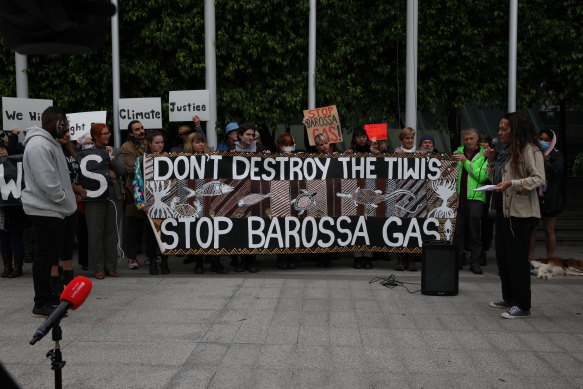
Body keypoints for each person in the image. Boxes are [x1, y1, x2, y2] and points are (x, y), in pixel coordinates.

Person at [484, 112, 545, 319]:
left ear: (515, 129)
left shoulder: (530, 150)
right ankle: (508, 298)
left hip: (522, 214)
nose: (499, 133)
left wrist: (513, 184)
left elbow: (538, 178)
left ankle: (523, 305)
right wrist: (492, 162)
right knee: (503, 258)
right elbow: (497, 177)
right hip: (503, 211)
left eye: (503, 129)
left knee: (517, 260)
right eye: (499, 129)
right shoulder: (506, 151)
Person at [22, 106, 77, 318]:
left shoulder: (48, 143)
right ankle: (41, 303)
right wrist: (63, 200)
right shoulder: (38, 145)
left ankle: (51, 297)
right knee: (44, 257)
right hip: (46, 210)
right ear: (52, 123)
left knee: (50, 257)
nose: (66, 128)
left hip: (54, 210)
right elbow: (48, 182)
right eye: (63, 124)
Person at [85, 124, 124, 279]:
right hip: (93, 196)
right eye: (103, 134)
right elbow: (86, 172)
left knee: (112, 232)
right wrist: (105, 172)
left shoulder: (116, 151)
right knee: (95, 232)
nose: (107, 136)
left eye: (108, 133)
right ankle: (98, 268)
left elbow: (121, 171)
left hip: (113, 195)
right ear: (95, 136)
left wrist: (111, 159)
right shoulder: (87, 153)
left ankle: (111, 266)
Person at [452, 128, 488, 274]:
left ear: (477, 138)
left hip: (475, 198)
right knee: (458, 230)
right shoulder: (456, 153)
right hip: (458, 198)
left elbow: (482, 176)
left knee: (475, 231)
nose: (468, 141)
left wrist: (466, 162)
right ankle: (459, 258)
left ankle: (475, 261)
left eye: (471, 139)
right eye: (466, 139)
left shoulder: (485, 154)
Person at [133, 130, 170, 275]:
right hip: (149, 203)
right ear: (149, 144)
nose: (160, 145)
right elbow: (137, 182)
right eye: (157, 143)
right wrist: (141, 203)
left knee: (166, 233)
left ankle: (165, 262)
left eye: (162, 142)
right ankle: (152, 262)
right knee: (151, 235)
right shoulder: (141, 160)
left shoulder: (169, 158)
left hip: (167, 202)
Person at [529, 129, 564, 260]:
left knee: (549, 228)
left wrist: (543, 160)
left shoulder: (557, 155)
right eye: (541, 139)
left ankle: (550, 257)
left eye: (546, 140)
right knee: (532, 228)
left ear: (552, 141)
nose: (543, 142)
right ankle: (529, 256)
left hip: (549, 197)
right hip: (534, 195)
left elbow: (556, 171)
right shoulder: (533, 153)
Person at [121, 120, 147, 269]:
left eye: (142, 128)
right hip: (135, 190)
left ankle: (153, 256)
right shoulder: (127, 147)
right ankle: (132, 258)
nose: (141, 131)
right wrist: (151, 162)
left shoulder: (147, 143)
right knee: (134, 227)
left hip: (151, 189)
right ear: (131, 133)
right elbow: (131, 168)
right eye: (137, 129)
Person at [0, 133, 26, 279]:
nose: (1, 151)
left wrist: (14, 136)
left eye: (3, 148)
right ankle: (7, 266)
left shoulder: (14, 164)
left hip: (14, 208)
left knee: (15, 237)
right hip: (1, 210)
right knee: (3, 239)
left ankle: (17, 267)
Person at [393, 127, 419, 271]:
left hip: (416, 197)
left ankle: (411, 259)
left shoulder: (419, 154)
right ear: (402, 140)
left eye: (411, 138)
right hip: (399, 196)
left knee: (413, 227)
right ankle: (400, 259)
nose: (409, 141)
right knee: (400, 227)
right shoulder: (396, 153)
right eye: (407, 138)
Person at [479, 133, 495, 266]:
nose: (484, 145)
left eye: (486, 143)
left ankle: (483, 252)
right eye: (481, 143)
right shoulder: (475, 156)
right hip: (475, 195)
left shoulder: (494, 156)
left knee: (487, 225)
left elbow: (493, 177)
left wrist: (489, 159)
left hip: (489, 197)